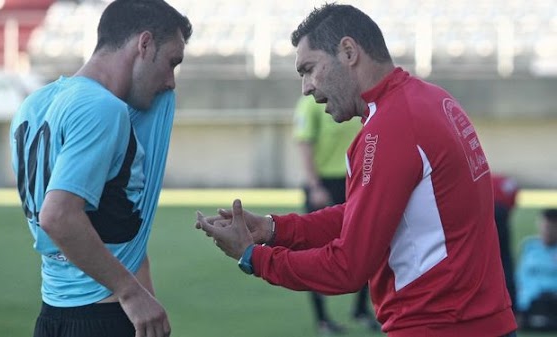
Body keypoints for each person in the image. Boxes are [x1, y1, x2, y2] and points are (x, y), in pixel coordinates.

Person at [195, 3, 517, 336]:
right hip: (483, 321)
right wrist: (273, 229)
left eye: (309, 68)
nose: (305, 87)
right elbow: (366, 215)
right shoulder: (432, 99)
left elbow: (348, 267)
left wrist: (253, 257)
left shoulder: (391, 127)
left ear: (348, 52)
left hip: (439, 325)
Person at [9, 1, 192, 337]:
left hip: (52, 316)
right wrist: (133, 293)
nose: (171, 82)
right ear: (144, 43)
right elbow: (58, 217)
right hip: (103, 318)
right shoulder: (102, 108)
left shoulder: (34, 105)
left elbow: (120, 222)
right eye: (172, 63)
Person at [293, 95, 375, 334]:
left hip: (353, 182)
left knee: (366, 245)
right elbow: (304, 146)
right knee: (314, 252)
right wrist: (315, 185)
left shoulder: (354, 102)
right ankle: (322, 319)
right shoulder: (309, 105)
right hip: (324, 184)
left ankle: (361, 309)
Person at [516, 208, 557, 331]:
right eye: (545, 227)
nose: (547, 232)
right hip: (530, 300)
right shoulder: (529, 246)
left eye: (551, 228)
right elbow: (519, 277)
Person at [492, 174, 519, 313]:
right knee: (505, 260)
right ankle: (511, 305)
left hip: (490, 210)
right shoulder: (508, 182)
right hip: (499, 211)